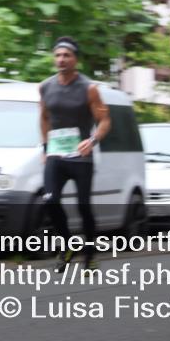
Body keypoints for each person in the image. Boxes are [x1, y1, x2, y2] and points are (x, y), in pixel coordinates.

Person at [39, 36, 110, 272]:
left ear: (75, 59)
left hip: (81, 156)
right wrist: (45, 147)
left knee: (83, 205)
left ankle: (89, 254)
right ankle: (67, 245)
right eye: (58, 55)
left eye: (66, 55)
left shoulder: (90, 89)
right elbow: (44, 118)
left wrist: (92, 140)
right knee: (50, 200)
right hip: (56, 155)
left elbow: (104, 120)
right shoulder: (45, 87)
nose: (61, 59)